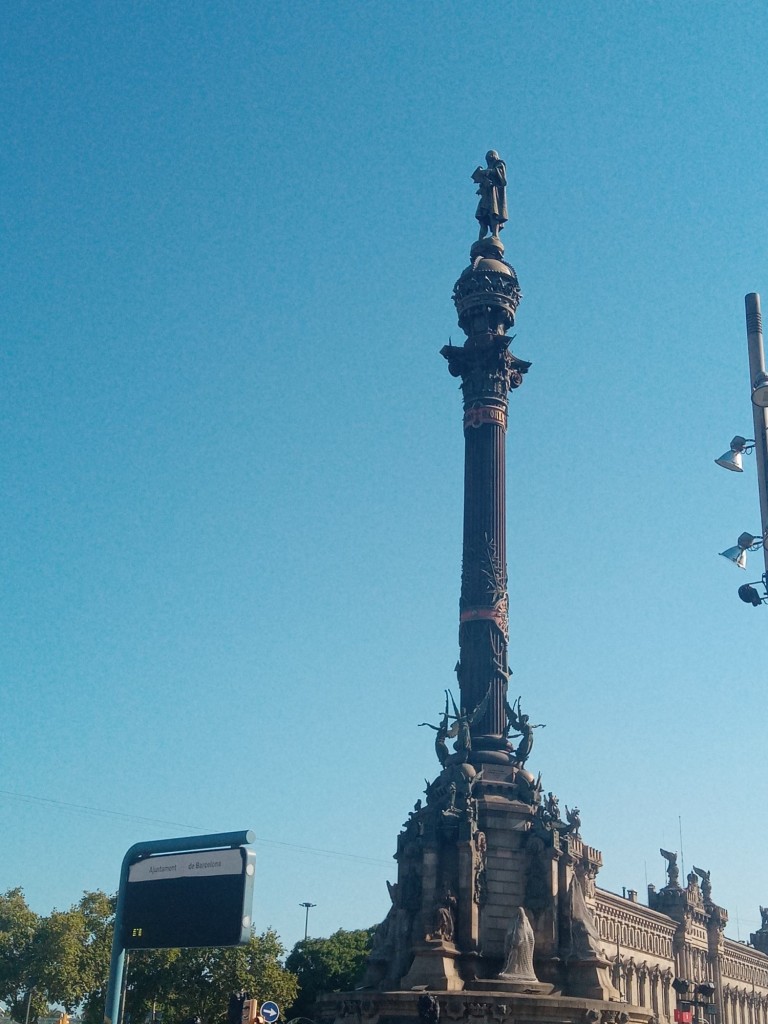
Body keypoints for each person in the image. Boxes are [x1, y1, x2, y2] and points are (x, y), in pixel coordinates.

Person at [472, 151, 508, 239]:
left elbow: (500, 175)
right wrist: (481, 189)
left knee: (494, 214)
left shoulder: (499, 164)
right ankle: (480, 238)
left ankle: (495, 235)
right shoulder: (488, 168)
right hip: (486, 197)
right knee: (482, 217)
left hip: (494, 196)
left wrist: (489, 171)